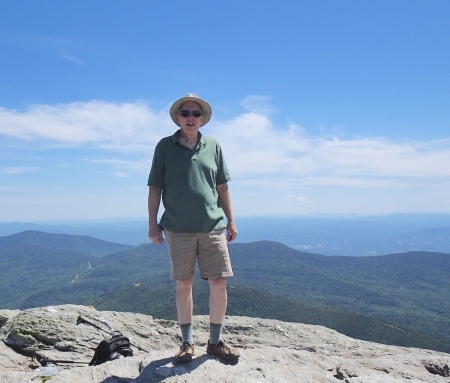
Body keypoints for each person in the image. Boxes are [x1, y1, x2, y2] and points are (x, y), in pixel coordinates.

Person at [147, 93, 240, 364]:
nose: (190, 117)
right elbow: (155, 187)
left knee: (219, 282)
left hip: (212, 225)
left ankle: (215, 342)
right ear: (177, 117)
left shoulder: (214, 146)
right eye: (185, 113)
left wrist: (231, 220)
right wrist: (153, 223)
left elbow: (222, 186)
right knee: (184, 283)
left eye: (195, 114)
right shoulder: (164, 148)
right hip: (177, 228)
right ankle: (187, 343)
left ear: (202, 119)